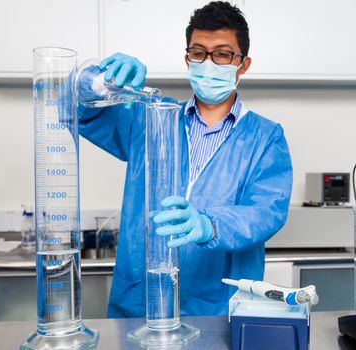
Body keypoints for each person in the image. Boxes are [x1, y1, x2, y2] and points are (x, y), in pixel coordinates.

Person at [78, 1, 293, 317]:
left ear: (243, 64)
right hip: (139, 305)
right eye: (199, 52)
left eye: (222, 54)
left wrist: (209, 225)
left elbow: (266, 212)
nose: (209, 62)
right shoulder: (150, 117)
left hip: (218, 308)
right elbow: (84, 113)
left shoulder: (265, 137)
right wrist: (99, 79)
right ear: (188, 59)